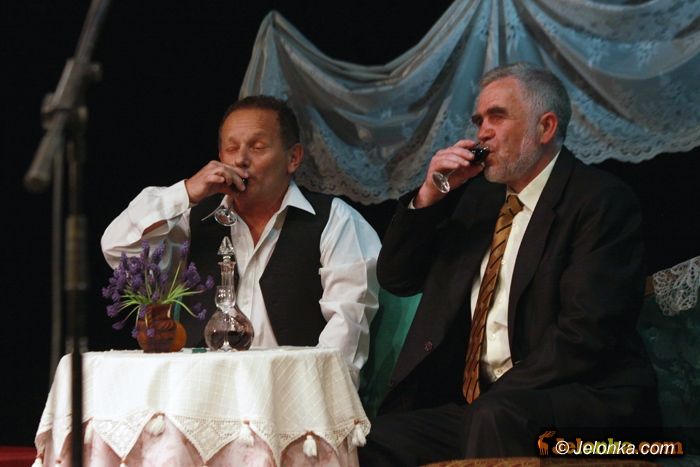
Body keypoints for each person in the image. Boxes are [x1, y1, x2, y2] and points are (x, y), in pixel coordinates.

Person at [359, 63, 659, 464]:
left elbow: (586, 334)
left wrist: (496, 397)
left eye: (497, 117)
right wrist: (431, 195)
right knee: (368, 439)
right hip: (486, 409)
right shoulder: (477, 200)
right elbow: (398, 277)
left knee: (495, 417)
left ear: (545, 127)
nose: (482, 132)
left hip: (585, 405)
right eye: (479, 120)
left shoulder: (599, 201)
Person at [102, 95, 381, 386]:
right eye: (231, 148)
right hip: (201, 391)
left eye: (257, 147)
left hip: (289, 392)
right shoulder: (193, 220)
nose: (240, 160)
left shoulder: (335, 221)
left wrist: (303, 397)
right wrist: (187, 192)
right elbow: (118, 248)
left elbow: (346, 333)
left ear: (293, 158)